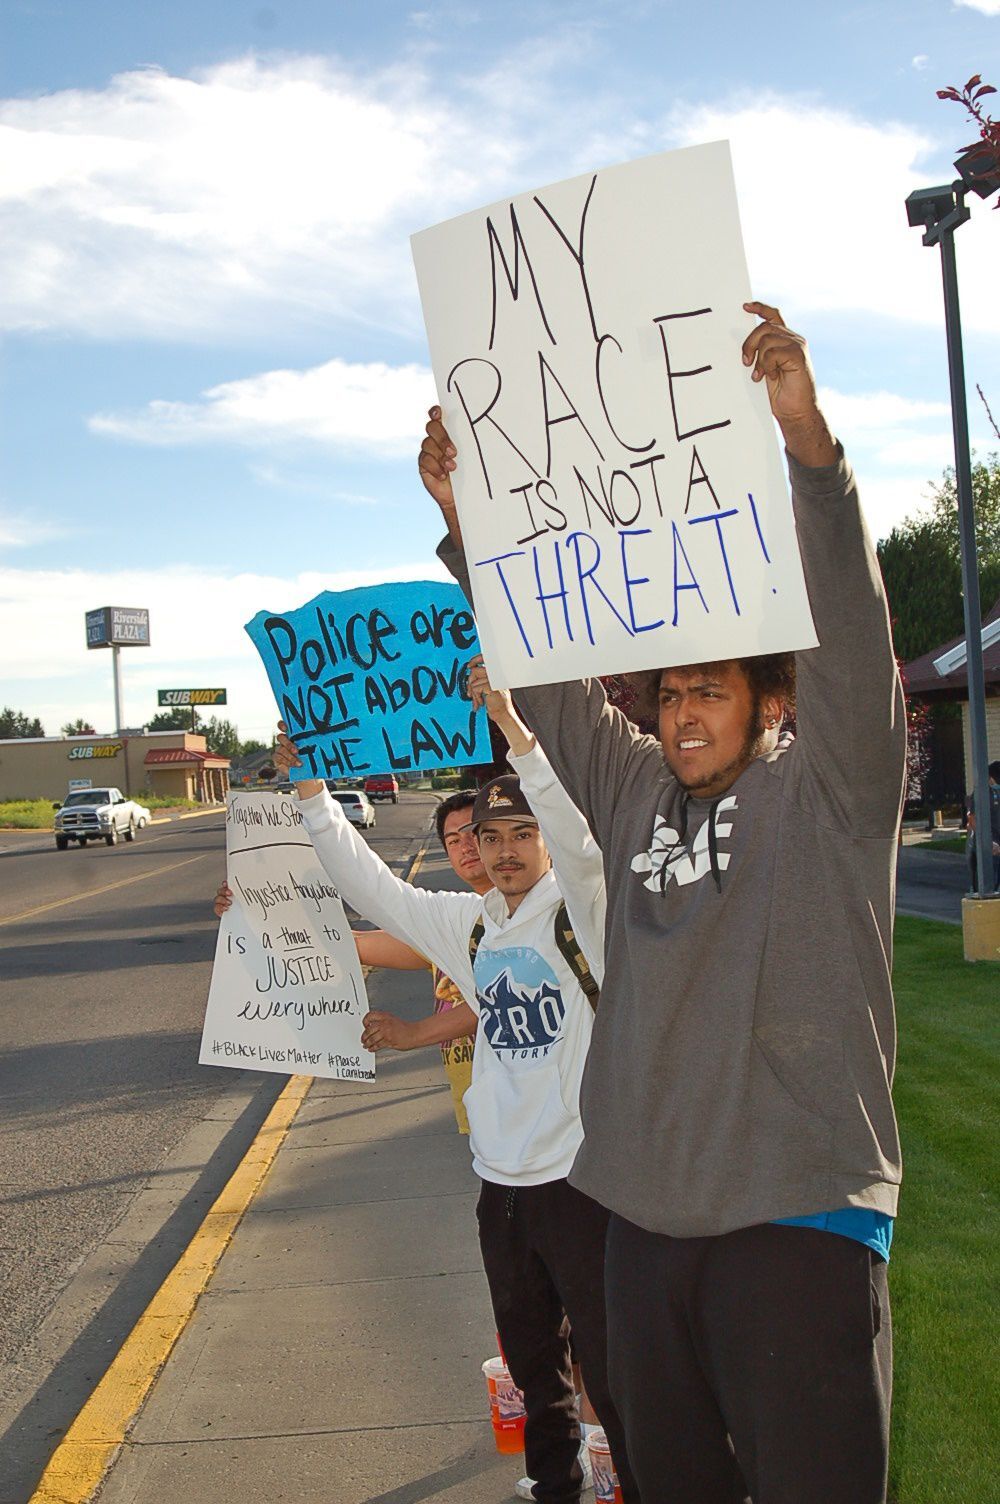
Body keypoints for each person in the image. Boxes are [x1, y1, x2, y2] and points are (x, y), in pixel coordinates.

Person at [420, 302, 907, 1504]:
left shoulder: (829, 797)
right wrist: (467, 524)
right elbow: (547, 677)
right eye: (670, 692)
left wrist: (807, 449)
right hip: (638, 1226)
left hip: (797, 1221)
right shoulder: (634, 794)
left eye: (710, 690)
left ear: (768, 702)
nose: (682, 712)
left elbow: (849, 633)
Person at [272, 725, 635, 1504]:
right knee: (535, 1363)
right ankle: (554, 1486)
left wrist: (522, 736)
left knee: (611, 1364)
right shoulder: (470, 925)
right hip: (499, 1186)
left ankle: (637, 1486)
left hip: (581, 1181)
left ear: (545, 838)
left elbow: (580, 843)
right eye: (489, 837)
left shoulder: (583, 913)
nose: (505, 851)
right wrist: (311, 794)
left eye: (522, 834)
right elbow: (375, 890)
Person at [215, 787, 486, 1133]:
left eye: (476, 833)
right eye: (452, 839)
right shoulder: (451, 922)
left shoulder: (531, 915)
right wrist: (248, 913)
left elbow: (498, 1000)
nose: (466, 846)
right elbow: (347, 945)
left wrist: (415, 1033)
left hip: (536, 1112)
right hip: (484, 1111)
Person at [966, 759, 1000, 894]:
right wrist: (988, 841)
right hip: (986, 848)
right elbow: (972, 818)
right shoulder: (981, 793)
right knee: (986, 887)